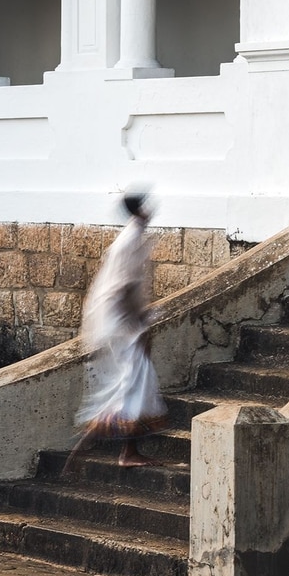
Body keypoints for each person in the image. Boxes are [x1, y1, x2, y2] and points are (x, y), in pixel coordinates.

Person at [69, 192, 165, 471]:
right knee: (136, 383)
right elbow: (124, 288)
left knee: (130, 382)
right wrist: (138, 328)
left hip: (116, 320)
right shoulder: (129, 240)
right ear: (140, 210)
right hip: (120, 322)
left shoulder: (132, 236)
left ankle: (102, 437)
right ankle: (126, 451)